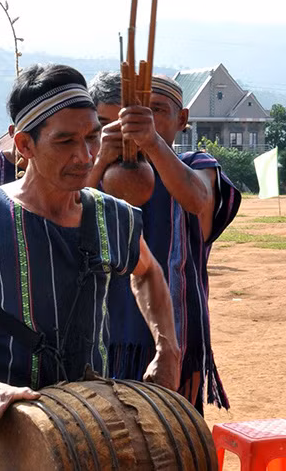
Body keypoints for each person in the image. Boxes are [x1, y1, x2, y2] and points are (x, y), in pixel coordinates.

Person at [0, 64, 180, 470]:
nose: (85, 156)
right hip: (0, 419)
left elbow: (148, 272)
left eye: (91, 137)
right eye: (65, 140)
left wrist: (166, 346)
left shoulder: (114, 217)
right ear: (24, 144)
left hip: (90, 421)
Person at [87, 71, 241, 413]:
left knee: (171, 440)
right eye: (136, 113)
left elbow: (198, 200)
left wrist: (153, 143)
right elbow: (63, 209)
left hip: (176, 337)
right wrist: (101, 158)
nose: (146, 122)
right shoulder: (99, 171)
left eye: (156, 110)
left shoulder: (196, 164)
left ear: (182, 119)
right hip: (102, 333)